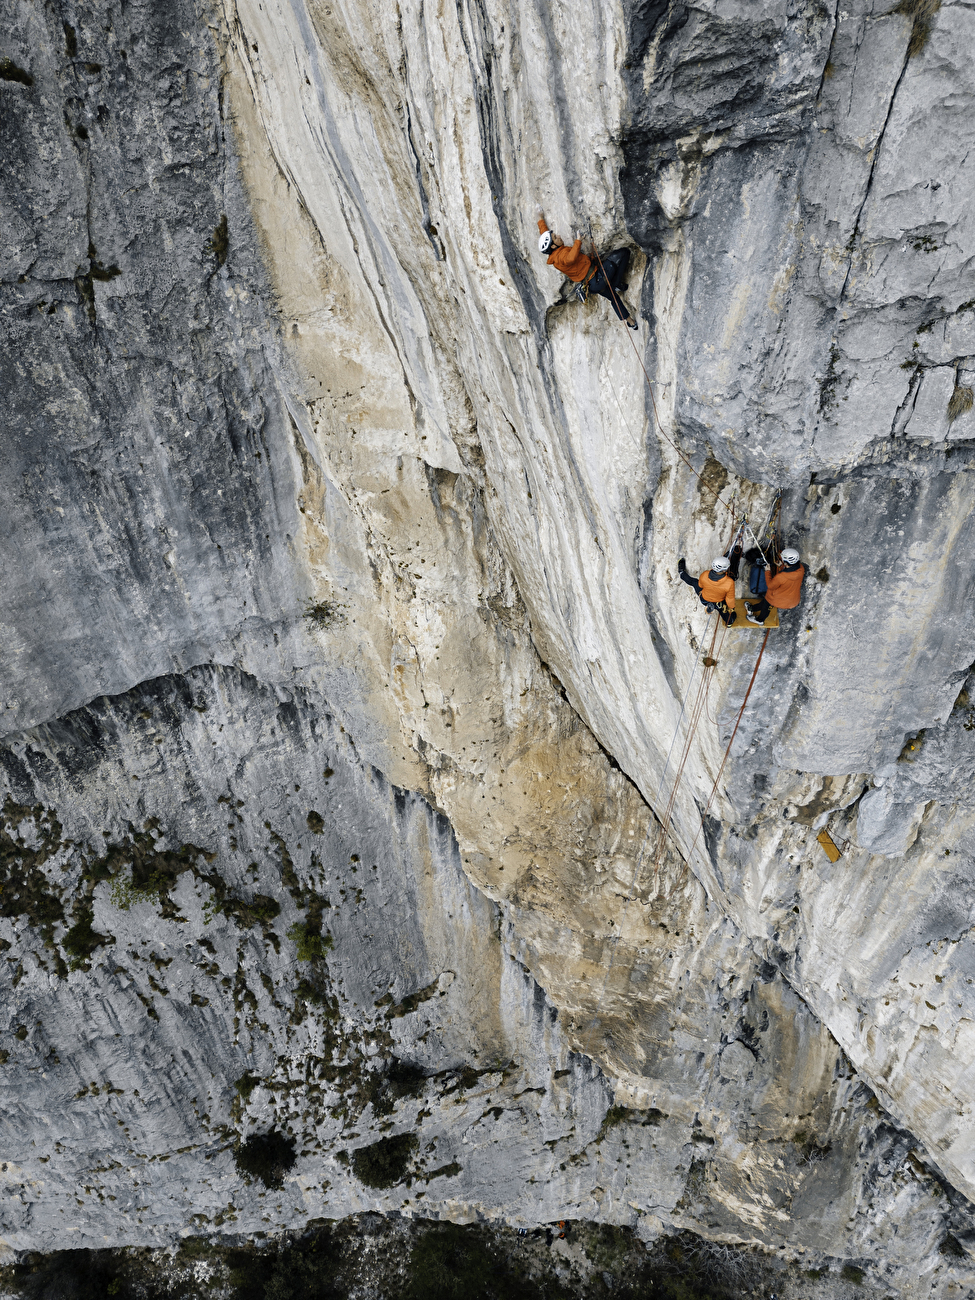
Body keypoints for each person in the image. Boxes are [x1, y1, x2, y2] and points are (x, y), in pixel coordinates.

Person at [535, 207, 638, 330]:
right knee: (623, 253)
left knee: (613, 297)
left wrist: (540, 219)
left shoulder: (553, 253)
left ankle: (631, 322)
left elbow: (545, 234)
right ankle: (616, 284)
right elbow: (570, 258)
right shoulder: (560, 257)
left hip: (592, 285)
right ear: (553, 245)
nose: (558, 236)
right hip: (598, 279)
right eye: (556, 237)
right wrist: (578, 241)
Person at [744, 548, 805, 624]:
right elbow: (789, 573)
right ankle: (752, 608)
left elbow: (770, 585)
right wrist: (782, 566)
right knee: (766, 601)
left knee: (768, 602)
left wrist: (767, 571)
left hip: (782, 601)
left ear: (786, 562)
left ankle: (760, 620)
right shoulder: (801, 568)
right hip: (793, 600)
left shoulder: (782, 576)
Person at [678, 555, 737, 625]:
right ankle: (729, 621)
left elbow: (700, 585)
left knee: (694, 582)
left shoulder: (705, 574)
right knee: (729, 618)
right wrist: (731, 608)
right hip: (719, 603)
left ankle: (682, 573)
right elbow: (730, 598)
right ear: (724, 570)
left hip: (704, 599)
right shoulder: (729, 582)